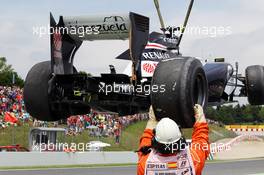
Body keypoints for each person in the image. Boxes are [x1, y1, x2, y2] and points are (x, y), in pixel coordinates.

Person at [137, 104, 209, 175]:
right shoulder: (194, 160)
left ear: (154, 141)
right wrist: (200, 117)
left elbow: (144, 144)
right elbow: (201, 140)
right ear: (180, 139)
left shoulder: (145, 164)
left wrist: (152, 120)